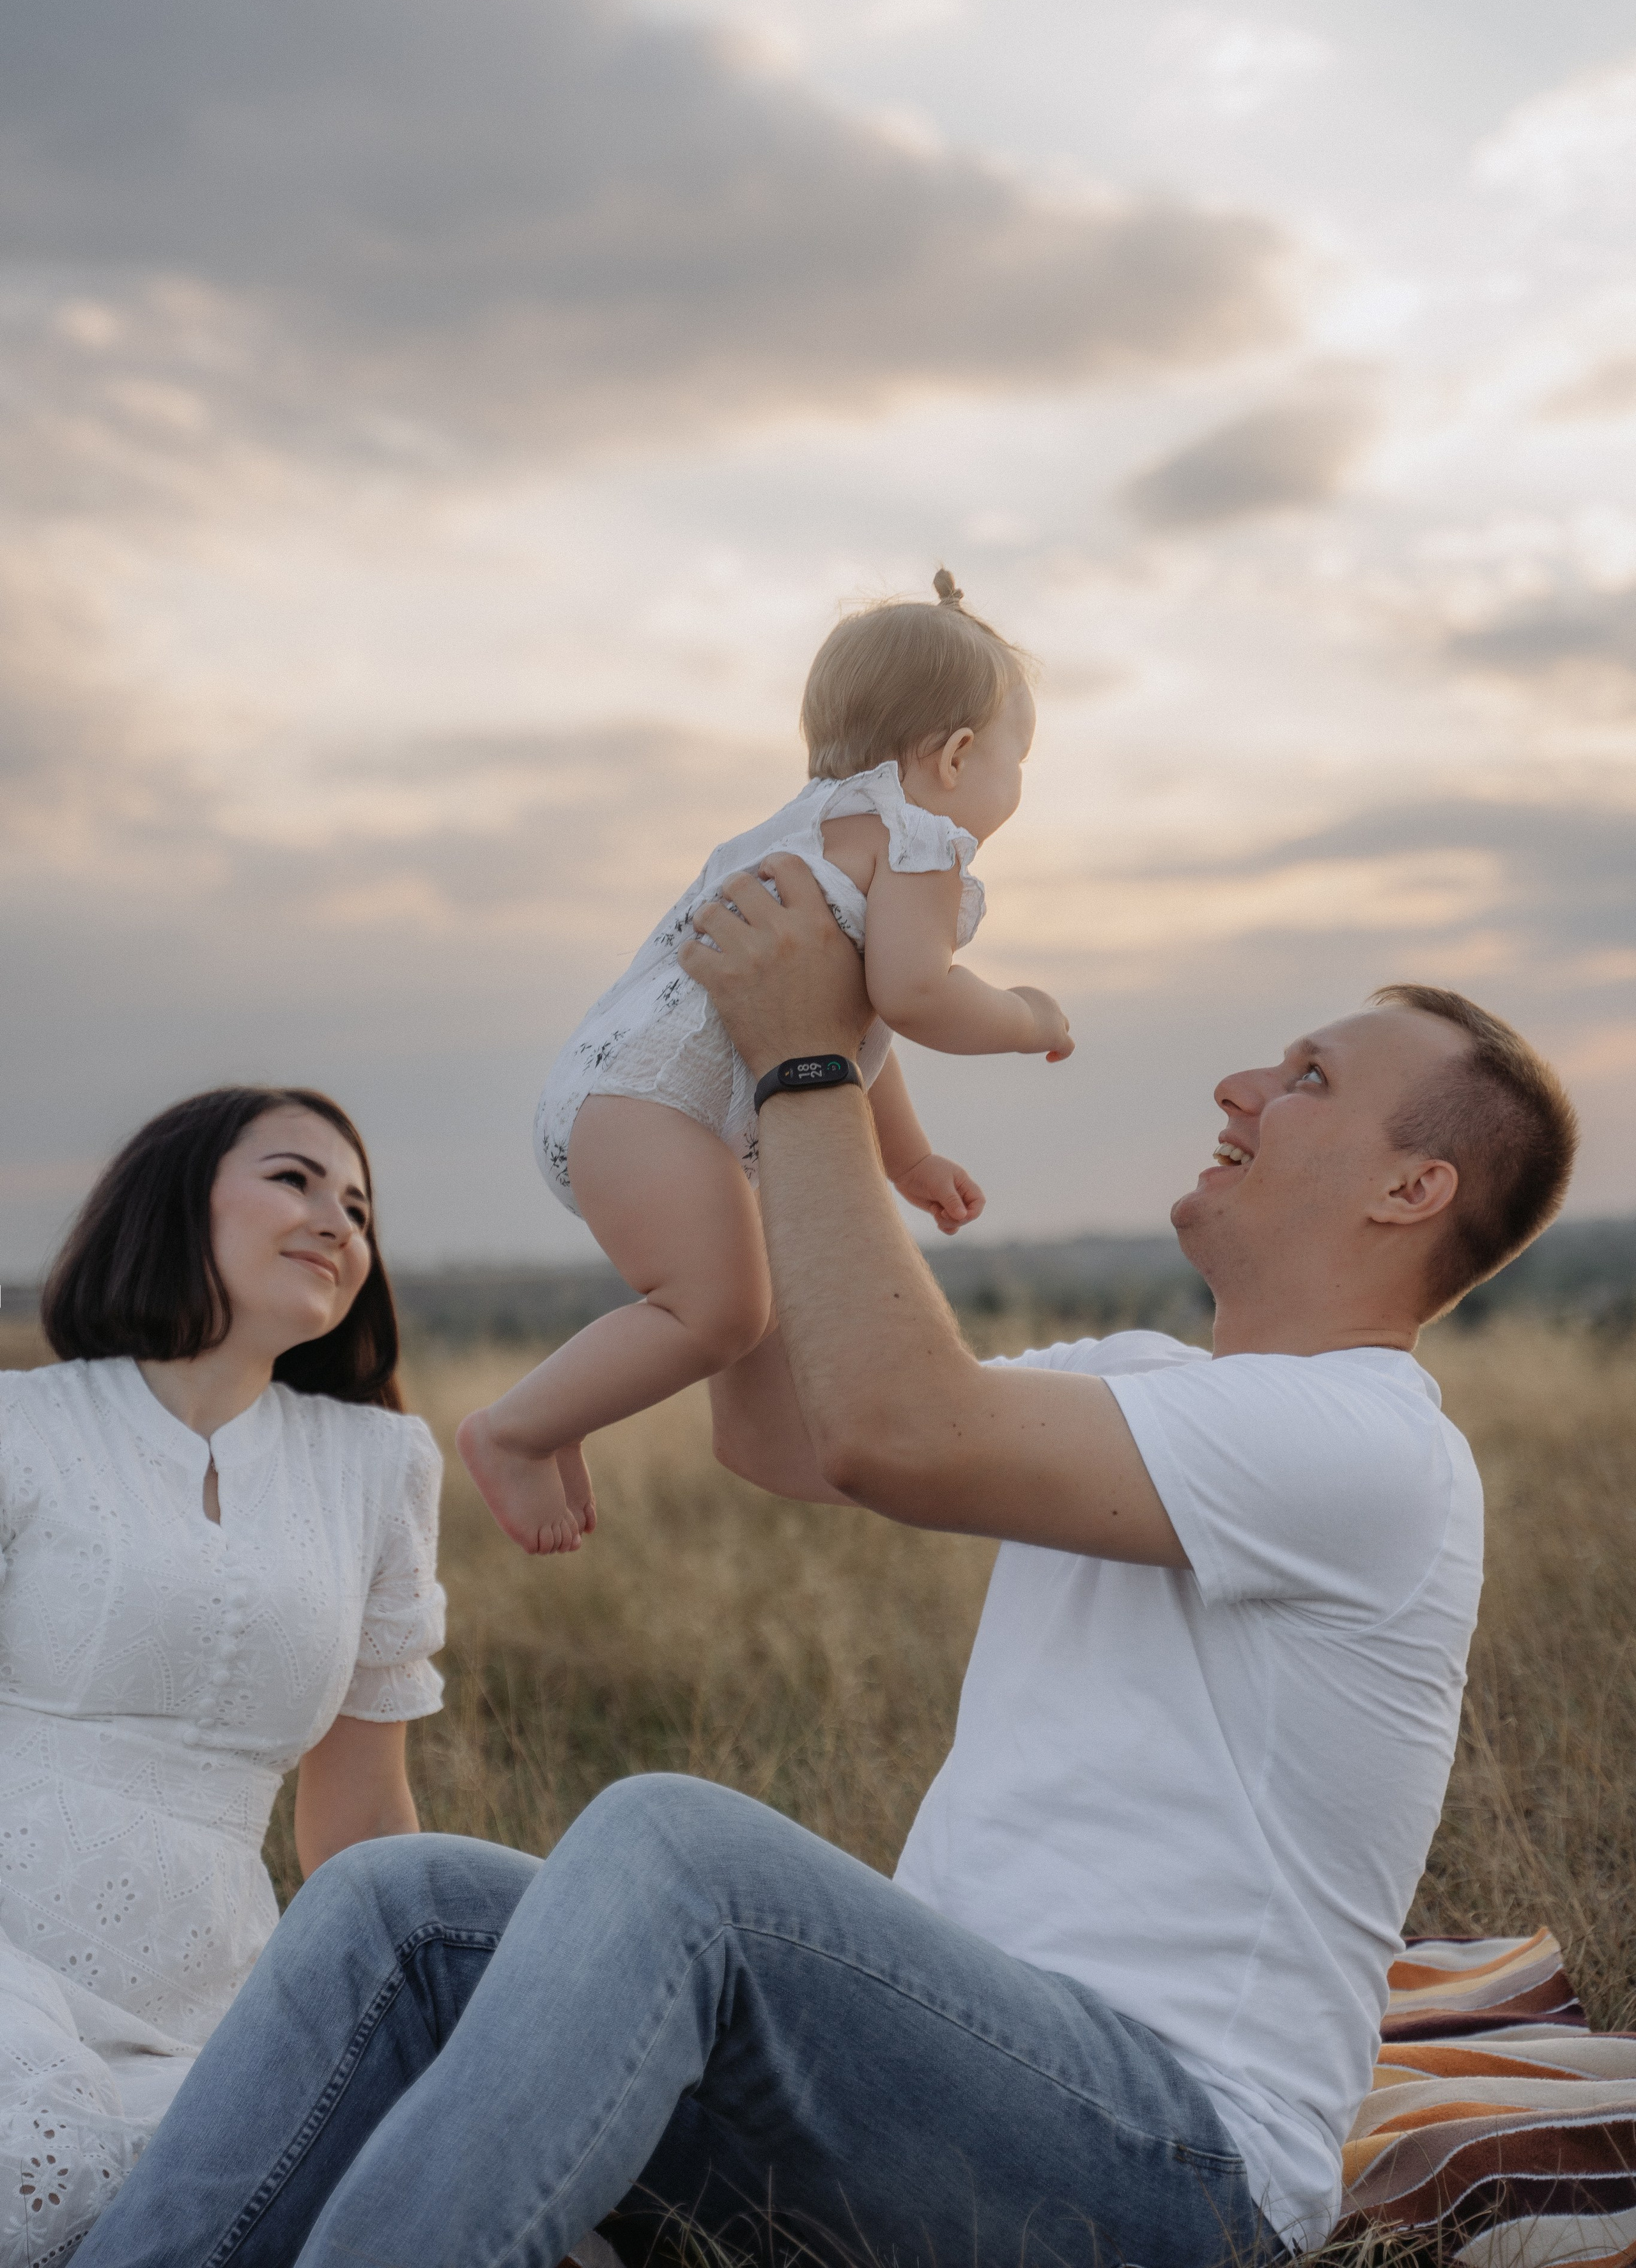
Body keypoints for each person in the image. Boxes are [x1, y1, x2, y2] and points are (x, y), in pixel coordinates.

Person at [71, 872, 1578, 2268]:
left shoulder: (1370, 1451)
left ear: (1410, 1191)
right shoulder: (1147, 1382)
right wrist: (773, 1067)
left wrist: (805, 1070)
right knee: (396, 1907)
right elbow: (793, 1429)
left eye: (1308, 1076)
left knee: (676, 1848)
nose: (1238, 1085)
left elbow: (896, 1431)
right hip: (942, 2089)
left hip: (1168, 2168)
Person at [457, 570, 1073, 1555]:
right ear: (958, 756)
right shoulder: (920, 842)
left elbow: (850, 1033)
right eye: (1020, 757)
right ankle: (514, 1428)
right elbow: (916, 999)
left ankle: (558, 1419)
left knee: (736, 1310)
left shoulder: (807, 824)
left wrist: (906, 1162)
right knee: (719, 1312)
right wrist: (1027, 1014)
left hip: (614, 1099)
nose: (1017, 782)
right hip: (658, 1109)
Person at [0, 1088, 445, 2262]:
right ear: (174, 1196)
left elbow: (360, 1819)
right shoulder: (19, 1428)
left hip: (215, 1997)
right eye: (295, 1180)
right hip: (6, 1952)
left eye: (358, 1205)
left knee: (430, 2198)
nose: (338, 1220)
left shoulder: (378, 1464)